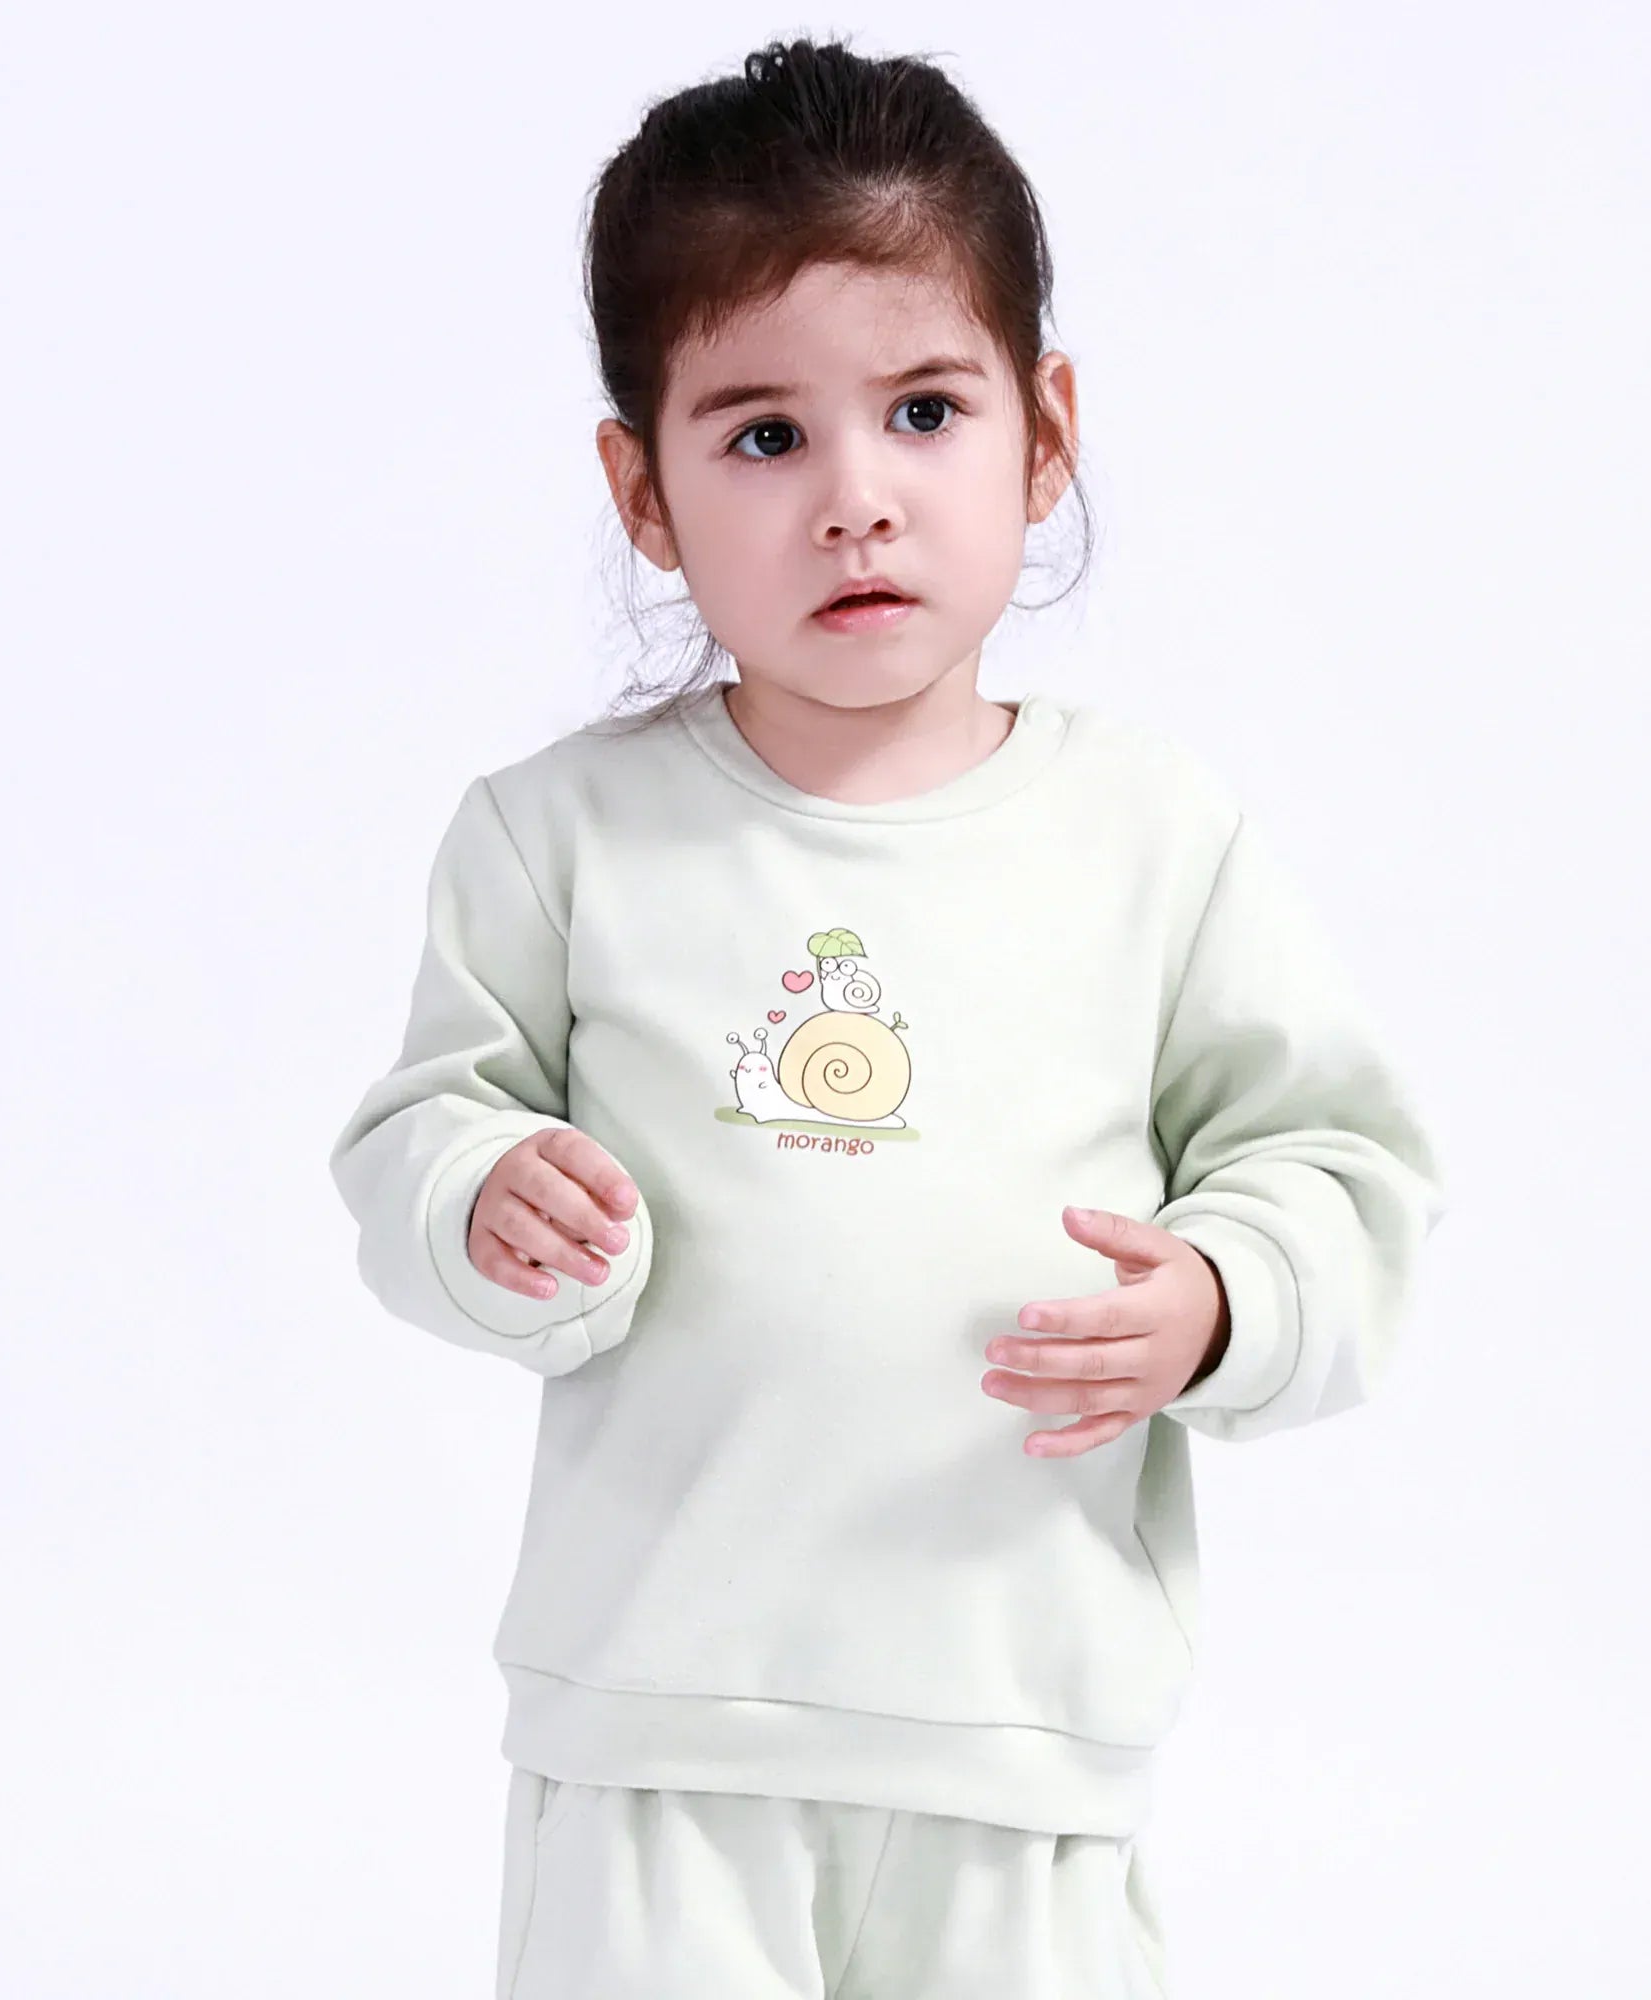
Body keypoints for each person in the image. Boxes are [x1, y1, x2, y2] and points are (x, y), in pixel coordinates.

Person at [326, 35, 1447, 2000]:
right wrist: (483, 1198)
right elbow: (424, 1132)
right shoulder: (558, 839)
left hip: (1019, 1736)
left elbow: (1340, 1171)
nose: (855, 499)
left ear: (1042, 432)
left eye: (923, 411)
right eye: (762, 435)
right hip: (659, 1732)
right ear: (643, 490)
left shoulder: (1151, 838)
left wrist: (1217, 1296)